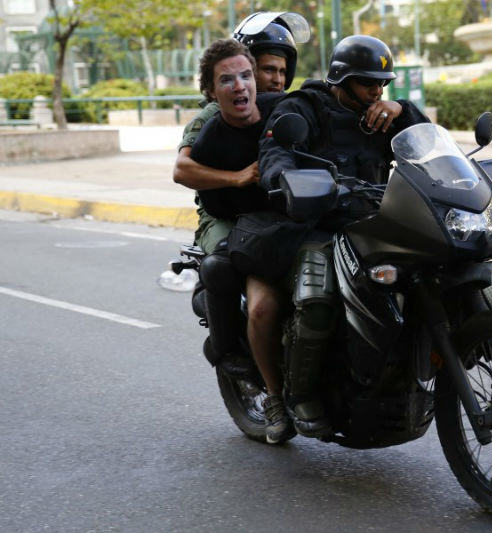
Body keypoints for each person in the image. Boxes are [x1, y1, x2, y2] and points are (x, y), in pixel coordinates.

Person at [258, 35, 429, 438]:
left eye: (384, 84)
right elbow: (274, 154)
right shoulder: (303, 108)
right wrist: (287, 180)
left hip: (373, 225)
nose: (378, 91)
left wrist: (403, 111)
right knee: (317, 299)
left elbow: (427, 145)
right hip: (318, 226)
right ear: (342, 77)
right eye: (369, 82)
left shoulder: (381, 114)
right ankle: (299, 396)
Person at [173, 12, 309, 445]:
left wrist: (390, 106)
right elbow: (182, 168)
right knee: (227, 264)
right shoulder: (211, 120)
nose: (270, 79)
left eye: (277, 70)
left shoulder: (282, 107)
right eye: (264, 68)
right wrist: (238, 178)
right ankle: (238, 357)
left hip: (274, 214)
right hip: (227, 214)